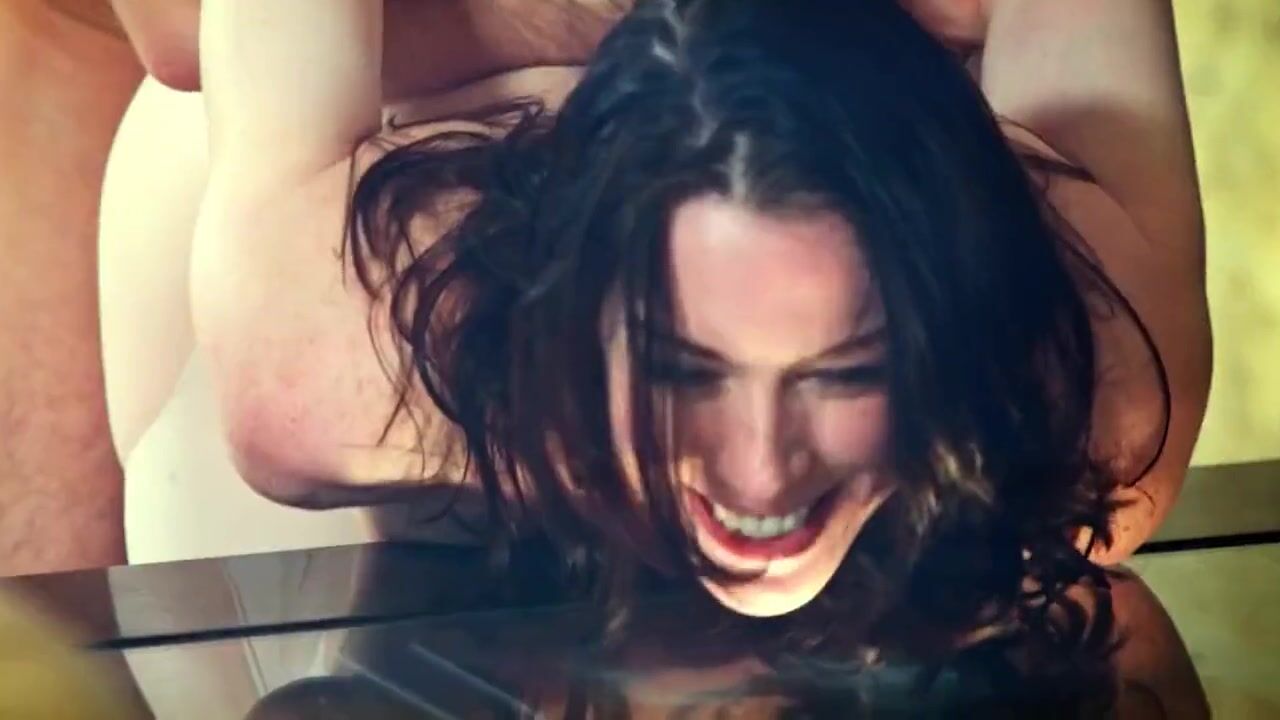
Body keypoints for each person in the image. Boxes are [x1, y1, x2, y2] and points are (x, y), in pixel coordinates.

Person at [108, 0, 1209, 658]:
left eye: (846, 372)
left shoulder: (1092, 385)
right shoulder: (344, 340)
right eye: (685, 371)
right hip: (406, 155)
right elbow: (175, 36)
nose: (761, 474)